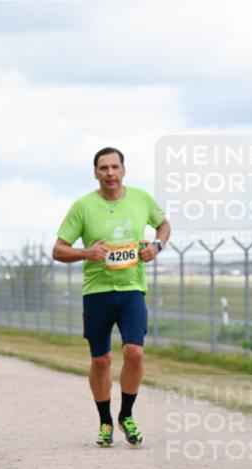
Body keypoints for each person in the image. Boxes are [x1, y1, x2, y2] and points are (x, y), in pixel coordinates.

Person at [53, 147, 171, 447]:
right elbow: (58, 249)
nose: (110, 173)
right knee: (101, 360)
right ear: (95, 173)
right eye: (103, 168)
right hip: (97, 293)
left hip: (132, 290)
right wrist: (85, 252)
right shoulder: (83, 206)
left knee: (135, 352)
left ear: (123, 170)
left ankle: (126, 415)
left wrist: (156, 246)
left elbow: (164, 224)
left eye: (115, 167)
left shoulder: (141, 199)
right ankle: (105, 421)